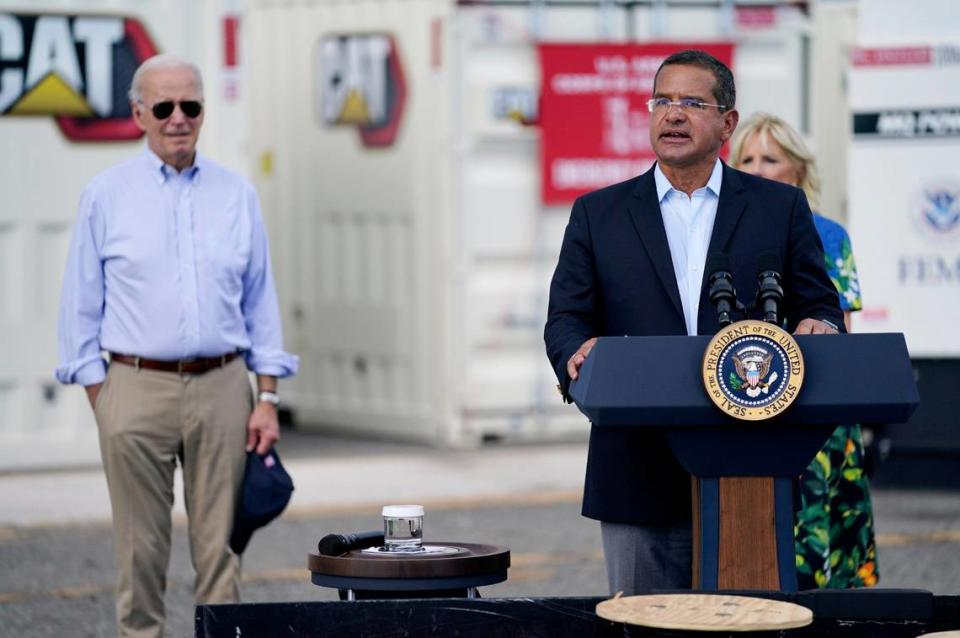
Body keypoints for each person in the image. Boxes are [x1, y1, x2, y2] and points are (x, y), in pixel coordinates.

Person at [543, 50, 844, 595]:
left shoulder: (780, 208)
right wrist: (575, 354)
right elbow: (566, 316)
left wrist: (820, 325)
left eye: (691, 102)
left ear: (728, 122)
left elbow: (819, 304)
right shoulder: (599, 213)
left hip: (751, 462)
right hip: (636, 466)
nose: (673, 114)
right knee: (642, 623)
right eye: (662, 100)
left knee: (749, 623)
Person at [55, 54, 298, 638]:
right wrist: (104, 398)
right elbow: (79, 306)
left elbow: (259, 301)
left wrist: (265, 396)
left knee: (221, 553)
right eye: (162, 107)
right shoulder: (106, 195)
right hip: (134, 386)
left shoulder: (236, 195)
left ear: (203, 112)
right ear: (139, 114)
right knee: (139, 553)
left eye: (190, 106)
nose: (177, 118)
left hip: (223, 386)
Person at [730, 112, 877, 589]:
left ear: (797, 169)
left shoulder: (828, 235)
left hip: (817, 420)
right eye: (746, 158)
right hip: (744, 415)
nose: (757, 169)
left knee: (816, 560)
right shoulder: (721, 237)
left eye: (770, 159)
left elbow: (842, 337)